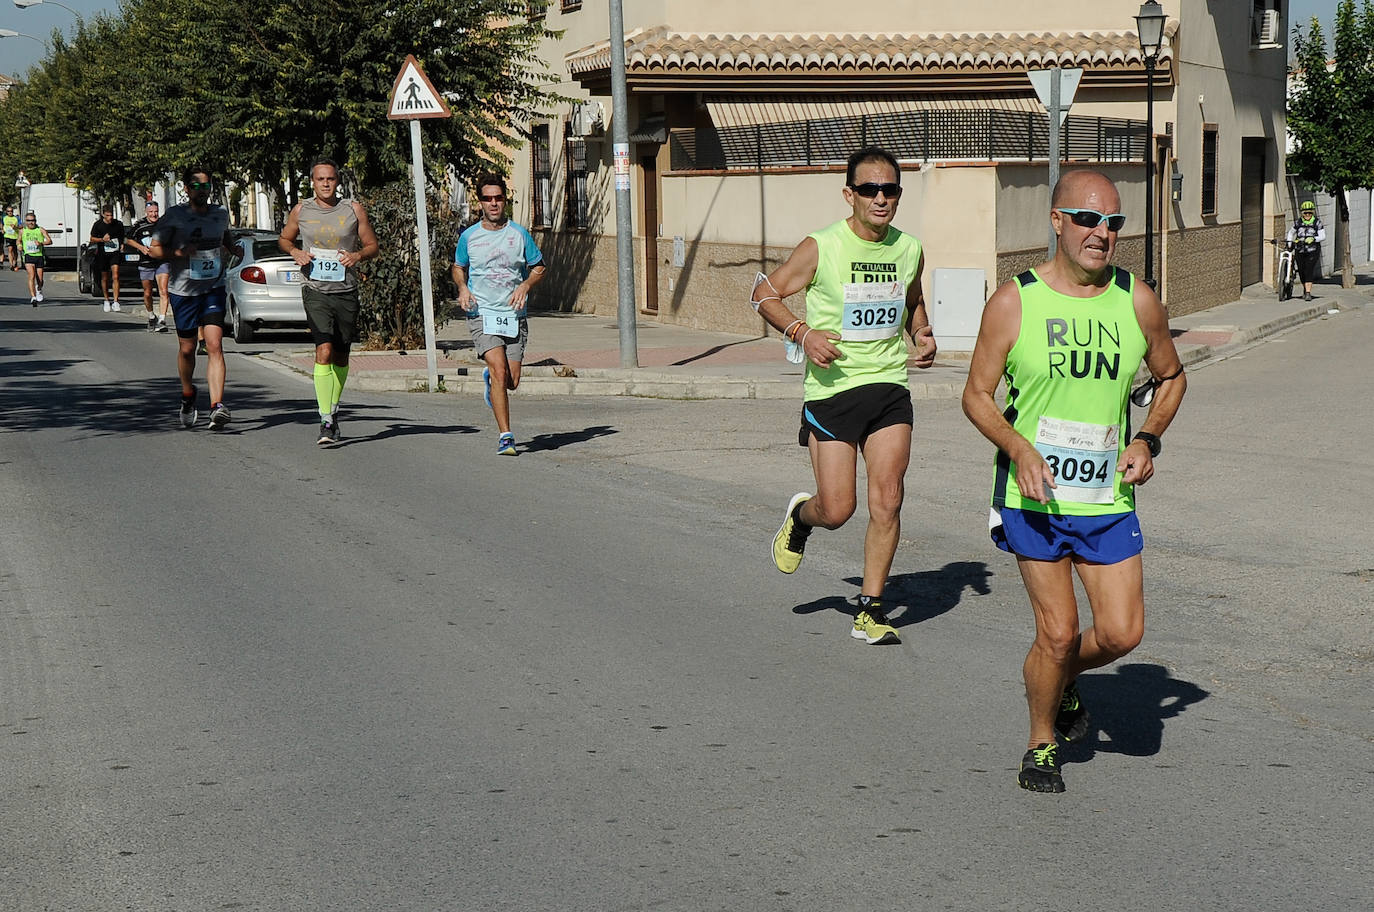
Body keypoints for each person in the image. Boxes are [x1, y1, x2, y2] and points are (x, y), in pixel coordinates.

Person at [961, 170, 1186, 793]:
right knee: (1056, 632)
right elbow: (976, 396)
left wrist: (1147, 438)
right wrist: (1017, 446)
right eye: (1088, 219)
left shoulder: (1137, 300)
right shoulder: (1015, 301)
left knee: (1121, 632)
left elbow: (1171, 377)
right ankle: (1040, 742)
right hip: (1032, 498)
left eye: (1113, 222)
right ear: (1056, 221)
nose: (1102, 233)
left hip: (1105, 498)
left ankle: (1058, 679)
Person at [754, 146, 938, 646]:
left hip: (887, 387)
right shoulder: (822, 246)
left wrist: (921, 334)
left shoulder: (909, 248)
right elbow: (764, 293)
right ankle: (800, 517)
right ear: (849, 195)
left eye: (890, 190)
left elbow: (913, 301)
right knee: (838, 510)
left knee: (889, 499)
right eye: (869, 190)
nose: (881, 198)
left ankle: (870, 609)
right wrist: (800, 332)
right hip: (832, 392)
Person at [278, 157, 380, 445]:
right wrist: (295, 252)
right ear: (312, 182)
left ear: (338, 181)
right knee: (323, 349)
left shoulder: (352, 209)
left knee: (340, 354)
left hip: (345, 290)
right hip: (315, 289)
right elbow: (284, 239)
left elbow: (372, 246)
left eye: (330, 179)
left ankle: (333, 410)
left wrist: (358, 255)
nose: (325, 183)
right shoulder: (301, 209)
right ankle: (326, 419)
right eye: (320, 179)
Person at [450, 173, 546, 456]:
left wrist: (526, 286)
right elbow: (458, 267)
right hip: (482, 313)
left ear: (505, 200)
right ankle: (506, 436)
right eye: (487, 199)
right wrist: (463, 288)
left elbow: (539, 266)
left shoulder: (519, 234)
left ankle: (492, 383)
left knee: (511, 381)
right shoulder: (469, 236)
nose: (493, 204)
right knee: (499, 370)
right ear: (479, 202)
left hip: (513, 313)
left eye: (498, 198)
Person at [149, 167, 235, 430]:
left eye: (206, 186)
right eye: (196, 186)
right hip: (183, 290)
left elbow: (226, 238)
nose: (202, 190)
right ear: (186, 189)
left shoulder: (220, 213)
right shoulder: (175, 216)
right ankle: (188, 395)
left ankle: (217, 406)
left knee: (214, 344)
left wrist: (233, 249)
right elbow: (154, 250)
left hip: (213, 287)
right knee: (187, 349)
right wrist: (179, 252)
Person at [128, 200, 171, 332]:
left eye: (156, 211)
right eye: (151, 212)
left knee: (163, 290)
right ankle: (151, 315)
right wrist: (141, 247)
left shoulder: (164, 224)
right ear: (146, 212)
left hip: (162, 261)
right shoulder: (139, 225)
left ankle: (162, 320)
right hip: (146, 263)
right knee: (147, 293)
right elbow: (128, 239)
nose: (154, 214)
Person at [89, 205, 127, 312]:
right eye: (107, 215)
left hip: (115, 253)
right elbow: (91, 238)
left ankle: (116, 301)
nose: (110, 218)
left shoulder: (118, 224)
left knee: (116, 275)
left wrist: (122, 244)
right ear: (103, 215)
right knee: (105, 277)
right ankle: (106, 300)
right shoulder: (98, 225)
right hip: (103, 253)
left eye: (111, 215)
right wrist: (102, 239)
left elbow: (122, 237)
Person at [1286, 200, 1325, 301]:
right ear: (1302, 213)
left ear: (1312, 213)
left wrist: (1314, 239)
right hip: (1300, 250)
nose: (1307, 214)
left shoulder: (1317, 223)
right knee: (1302, 271)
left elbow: (1322, 236)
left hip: (1313, 250)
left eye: (1310, 213)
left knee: (1308, 270)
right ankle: (1305, 288)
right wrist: (1290, 243)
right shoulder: (1298, 222)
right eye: (1305, 213)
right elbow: (1291, 233)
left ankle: (1308, 293)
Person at [19, 211, 52, 306]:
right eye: (29, 221)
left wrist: (41, 243)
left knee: (40, 280)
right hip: (29, 256)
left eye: (33, 220)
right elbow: (18, 241)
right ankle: (33, 297)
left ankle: (39, 289)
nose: (31, 222)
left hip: (39, 256)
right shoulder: (23, 231)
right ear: (25, 221)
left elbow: (50, 241)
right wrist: (19, 245)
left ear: (35, 221)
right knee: (31, 276)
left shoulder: (40, 230)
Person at [3, 205, 19, 271]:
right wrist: (2, 229)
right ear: (6, 212)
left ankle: (15, 261)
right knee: (10, 249)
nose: (10, 212)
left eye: (11, 211)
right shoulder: (4, 218)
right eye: (8, 211)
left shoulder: (16, 218)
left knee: (15, 251)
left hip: (15, 236)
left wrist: (15, 227)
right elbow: (2, 224)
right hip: (8, 236)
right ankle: (11, 264)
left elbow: (20, 226)